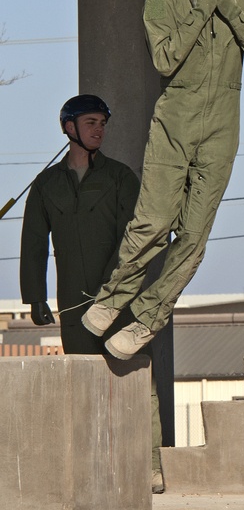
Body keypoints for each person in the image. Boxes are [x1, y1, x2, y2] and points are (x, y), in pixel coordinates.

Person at [83, 0, 244, 361]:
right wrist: (202, 6)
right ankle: (113, 299)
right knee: (153, 223)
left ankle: (148, 319)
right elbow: (165, 60)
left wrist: (226, 3)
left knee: (194, 237)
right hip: (174, 124)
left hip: (221, 129)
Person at [20, 95, 165, 493]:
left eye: (102, 122)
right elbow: (34, 242)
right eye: (90, 122)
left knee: (136, 379)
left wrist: (113, 290)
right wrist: (36, 297)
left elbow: (133, 239)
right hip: (73, 303)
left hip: (123, 299)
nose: (98, 128)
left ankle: (151, 464)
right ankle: (94, 465)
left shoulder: (120, 178)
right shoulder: (46, 184)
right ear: (68, 127)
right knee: (85, 384)